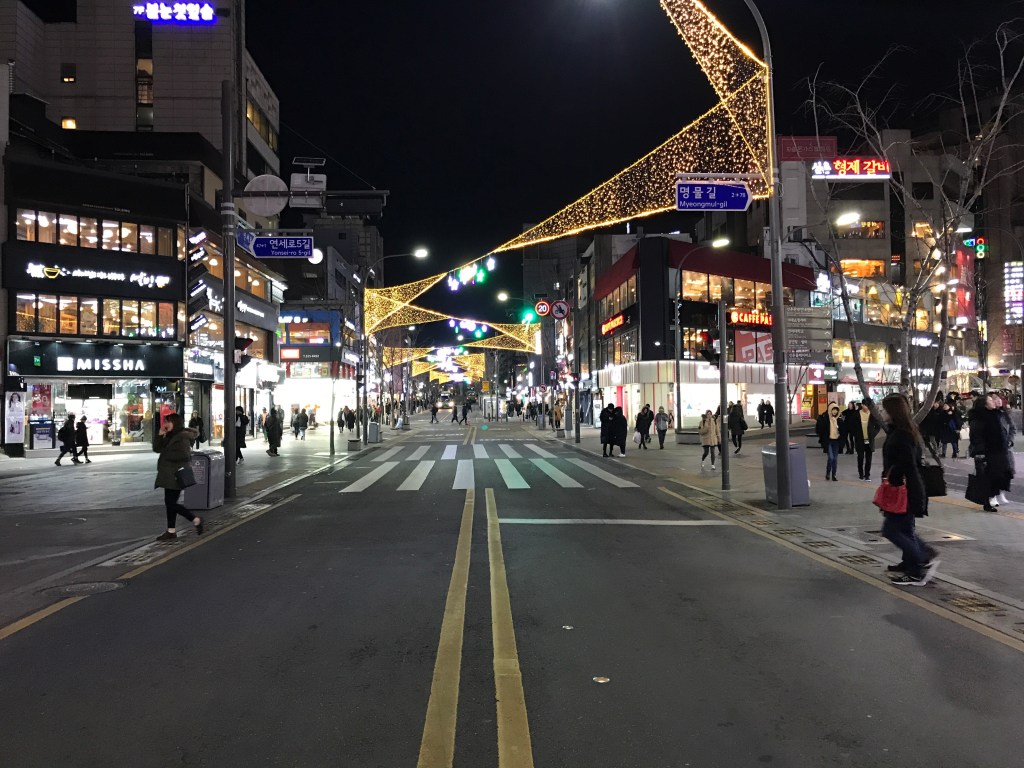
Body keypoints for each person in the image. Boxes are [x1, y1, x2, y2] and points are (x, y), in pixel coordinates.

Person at [879, 393, 939, 586]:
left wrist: (893, 476)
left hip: (904, 490)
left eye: (884, 408)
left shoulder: (902, 434)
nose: (881, 411)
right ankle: (915, 562)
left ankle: (920, 562)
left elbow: (908, 465)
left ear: (893, 411)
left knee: (891, 530)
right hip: (906, 489)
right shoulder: (902, 430)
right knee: (905, 529)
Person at [153, 413, 202, 541]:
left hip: (175, 474)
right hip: (168, 474)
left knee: (171, 503)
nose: (166, 424)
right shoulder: (170, 435)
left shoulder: (182, 437)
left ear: (175, 422)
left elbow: (185, 455)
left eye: (168, 422)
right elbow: (156, 448)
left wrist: (166, 455)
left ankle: (195, 519)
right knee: (170, 503)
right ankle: (171, 531)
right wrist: (159, 435)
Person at [968, 392, 1015, 511]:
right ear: (985, 404)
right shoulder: (979, 418)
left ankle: (994, 496)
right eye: (990, 400)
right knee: (989, 477)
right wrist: (980, 452)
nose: (994, 401)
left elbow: (1005, 430)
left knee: (1002, 475)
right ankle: (988, 501)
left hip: (999, 451)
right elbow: (976, 437)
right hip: (988, 453)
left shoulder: (996, 414)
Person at [846, 398, 881, 481]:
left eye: (868, 406)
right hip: (860, 440)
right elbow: (851, 426)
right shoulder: (856, 414)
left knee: (869, 458)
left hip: (869, 440)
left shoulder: (872, 415)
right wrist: (856, 435)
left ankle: (867, 475)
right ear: (862, 405)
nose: (866, 407)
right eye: (865, 405)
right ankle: (861, 473)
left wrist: (873, 434)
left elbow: (878, 426)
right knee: (860, 457)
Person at [816, 402, 846, 481]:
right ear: (830, 410)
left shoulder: (839, 420)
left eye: (836, 410)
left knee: (835, 459)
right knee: (831, 458)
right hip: (828, 441)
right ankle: (828, 472)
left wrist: (841, 436)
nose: (835, 412)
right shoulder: (825, 419)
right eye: (833, 410)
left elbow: (843, 432)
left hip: (836, 441)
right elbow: (820, 430)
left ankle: (834, 475)